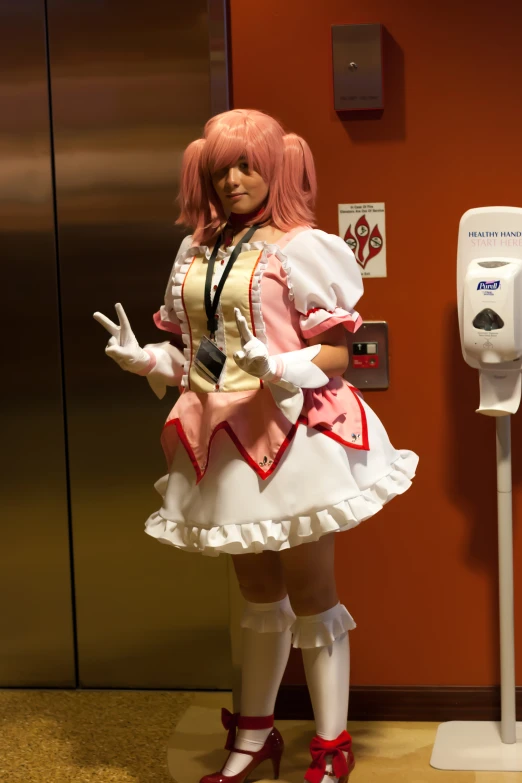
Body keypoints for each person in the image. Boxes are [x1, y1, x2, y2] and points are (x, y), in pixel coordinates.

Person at [94, 109, 418, 783]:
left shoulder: (302, 247)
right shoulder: (198, 251)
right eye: (222, 168)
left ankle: (332, 746)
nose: (235, 179)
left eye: (247, 165)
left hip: (297, 430)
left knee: (311, 589)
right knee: (255, 589)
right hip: (225, 435)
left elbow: (338, 349)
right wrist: (151, 362)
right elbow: (206, 359)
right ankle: (253, 735)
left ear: (274, 167)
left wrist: (285, 365)